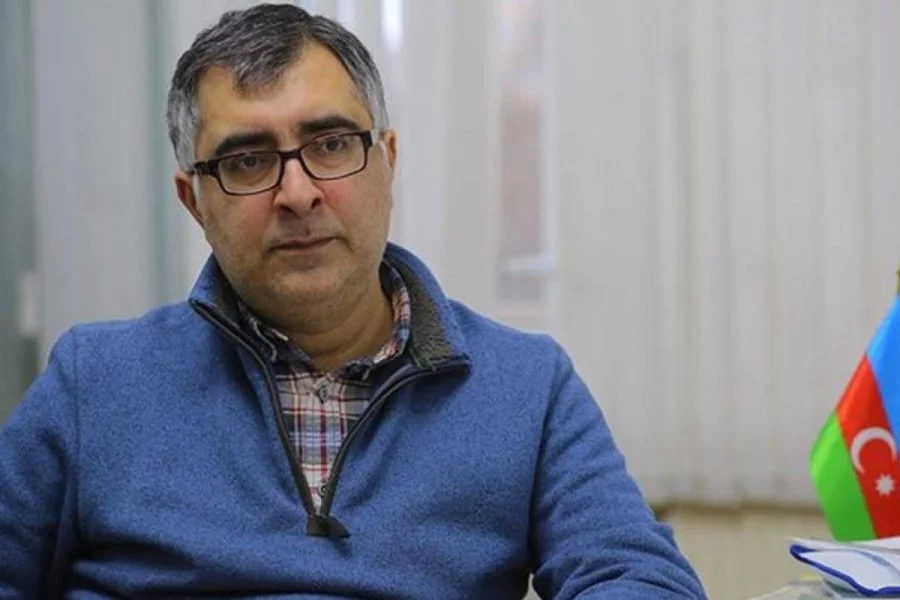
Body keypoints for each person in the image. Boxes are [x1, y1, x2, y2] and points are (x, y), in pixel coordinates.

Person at [0, 4, 706, 598]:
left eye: (331, 144)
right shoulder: (94, 384)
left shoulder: (527, 386)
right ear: (194, 200)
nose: (298, 193)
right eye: (247, 161)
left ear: (387, 161)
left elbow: (638, 577)